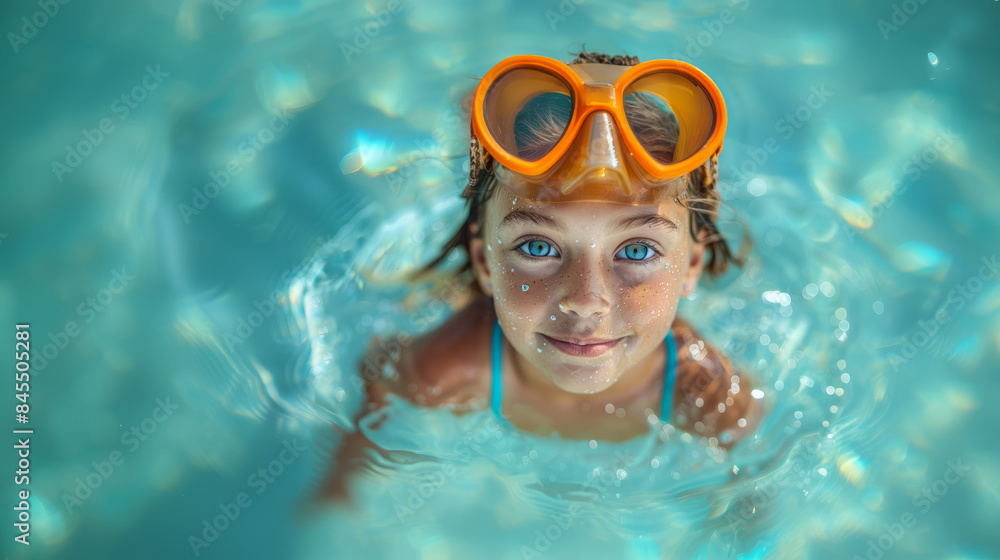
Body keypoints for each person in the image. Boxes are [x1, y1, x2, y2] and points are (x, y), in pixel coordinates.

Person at [320, 50, 763, 501]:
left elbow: (749, 504)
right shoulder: (446, 369)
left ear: (691, 267)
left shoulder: (707, 394)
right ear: (484, 262)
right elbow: (367, 424)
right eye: (538, 247)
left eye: (635, 250)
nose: (586, 299)